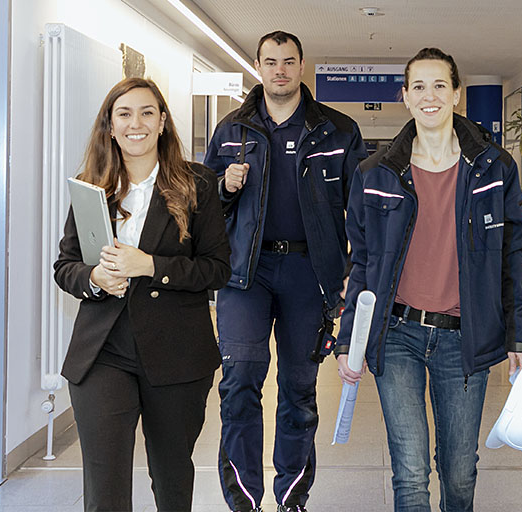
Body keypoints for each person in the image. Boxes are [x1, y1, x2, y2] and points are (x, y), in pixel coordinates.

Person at [337, 48, 522, 512]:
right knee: (409, 473)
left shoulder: (494, 169)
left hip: (464, 337)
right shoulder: (375, 173)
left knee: (460, 472)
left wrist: (519, 339)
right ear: (405, 96)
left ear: (457, 95)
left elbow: (513, 257)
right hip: (398, 335)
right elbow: (360, 265)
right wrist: (350, 340)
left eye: (439, 86)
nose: (430, 96)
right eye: (419, 87)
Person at [203, 31, 366, 512]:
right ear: (257, 65)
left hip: (308, 274)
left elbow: (360, 211)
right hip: (244, 278)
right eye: (270, 61)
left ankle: (292, 497)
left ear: (301, 66)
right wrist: (223, 187)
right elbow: (202, 206)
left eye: (288, 61)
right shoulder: (231, 130)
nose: (279, 69)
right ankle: (244, 500)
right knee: (239, 385)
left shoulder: (337, 131)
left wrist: (351, 273)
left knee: (299, 390)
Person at [54, 77, 231, 511]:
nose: (137, 123)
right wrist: (95, 278)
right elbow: (66, 266)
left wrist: (150, 267)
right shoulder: (91, 186)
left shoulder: (198, 184)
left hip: (177, 353)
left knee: (171, 477)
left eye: (147, 112)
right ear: (110, 127)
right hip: (103, 352)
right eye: (124, 114)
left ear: (163, 122)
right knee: (105, 485)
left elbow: (217, 269)